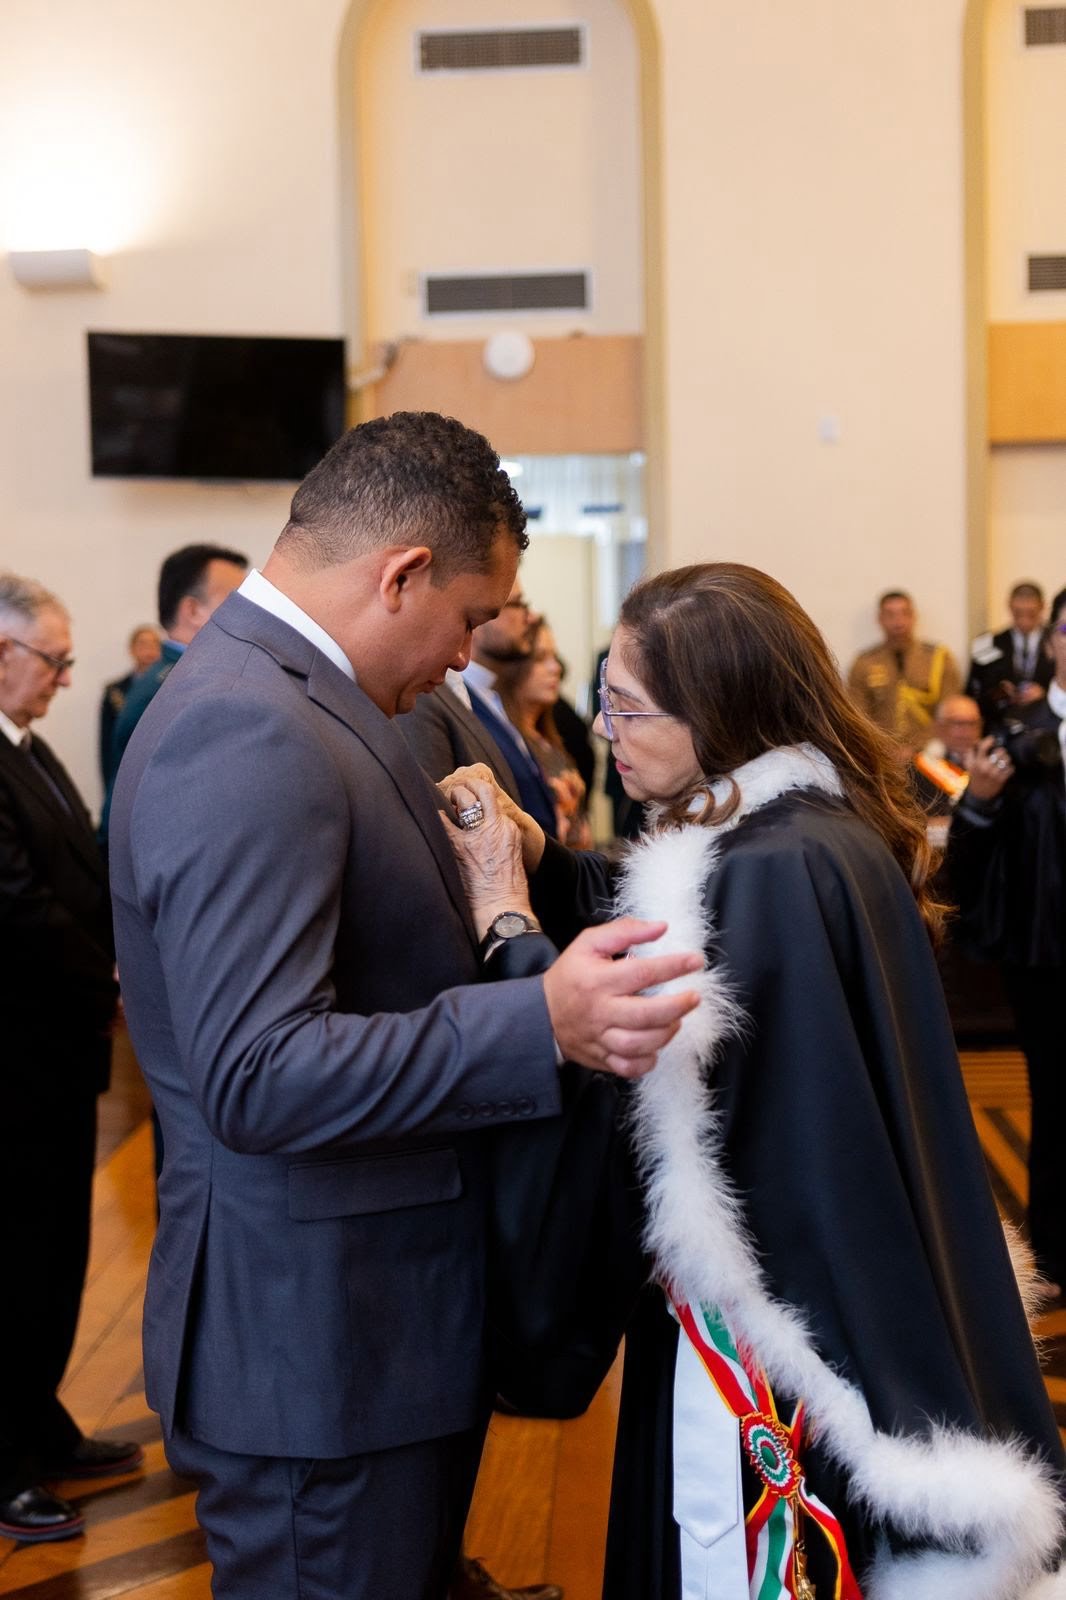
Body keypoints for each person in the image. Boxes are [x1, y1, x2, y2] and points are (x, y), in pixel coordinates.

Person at [107, 412, 703, 1600]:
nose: (464, 659)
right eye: (472, 620)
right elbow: (256, 1072)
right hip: (311, 1350)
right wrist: (539, 1021)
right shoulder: (246, 725)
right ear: (402, 574)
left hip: (381, 1324)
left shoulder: (321, 698)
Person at [444, 562, 1066, 1599]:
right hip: (853, 1291)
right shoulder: (806, 827)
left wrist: (509, 931)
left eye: (626, 705)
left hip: (773, 1342)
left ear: (717, 711)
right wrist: (545, 855)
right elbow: (661, 910)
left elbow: (630, 1074)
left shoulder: (764, 869)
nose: (604, 727)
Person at [0, 574, 143, 1546]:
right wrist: (114, 978)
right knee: (8, 1258)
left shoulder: (29, 746)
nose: (60, 678)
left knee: (54, 1249)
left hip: (54, 1053)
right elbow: (15, 906)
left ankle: (36, 1417)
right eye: (49, 659)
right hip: (11, 1056)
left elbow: (73, 869)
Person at [949, 591, 1066, 1295]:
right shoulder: (1016, 734)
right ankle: (1053, 1255)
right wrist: (981, 799)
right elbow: (967, 855)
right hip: (1046, 951)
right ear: (1052, 639)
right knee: (1054, 1099)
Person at [99, 542, 248, 837]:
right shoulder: (178, 689)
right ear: (192, 610)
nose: (248, 614)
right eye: (236, 601)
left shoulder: (180, 678)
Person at [462, 581, 560, 839]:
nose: (531, 616)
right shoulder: (458, 699)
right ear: (481, 617)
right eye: (517, 604)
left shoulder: (492, 697)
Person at [494, 620, 592, 847]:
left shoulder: (549, 739)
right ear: (513, 669)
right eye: (540, 658)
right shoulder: (508, 746)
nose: (555, 668)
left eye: (554, 657)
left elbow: (581, 841)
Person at [847, 589, 962, 755]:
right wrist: (883, 747)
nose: (898, 621)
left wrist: (917, 748)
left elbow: (951, 711)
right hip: (881, 753)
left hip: (931, 752)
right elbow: (857, 715)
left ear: (914, 616)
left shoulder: (938, 659)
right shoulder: (864, 663)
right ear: (880, 620)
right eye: (890, 615)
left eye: (904, 613)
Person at [967, 581, 1053, 724]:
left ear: (1042, 606)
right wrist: (999, 693)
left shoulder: (1058, 643)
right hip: (1001, 724)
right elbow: (972, 695)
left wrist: (1046, 694)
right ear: (1010, 606)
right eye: (1018, 613)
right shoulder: (986, 644)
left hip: (1047, 726)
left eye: (1031, 613)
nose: (1024, 619)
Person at [98, 624, 161, 788]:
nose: (150, 650)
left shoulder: (171, 688)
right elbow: (107, 746)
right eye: (143, 644)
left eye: (154, 644)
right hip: (126, 775)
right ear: (132, 649)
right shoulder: (115, 692)